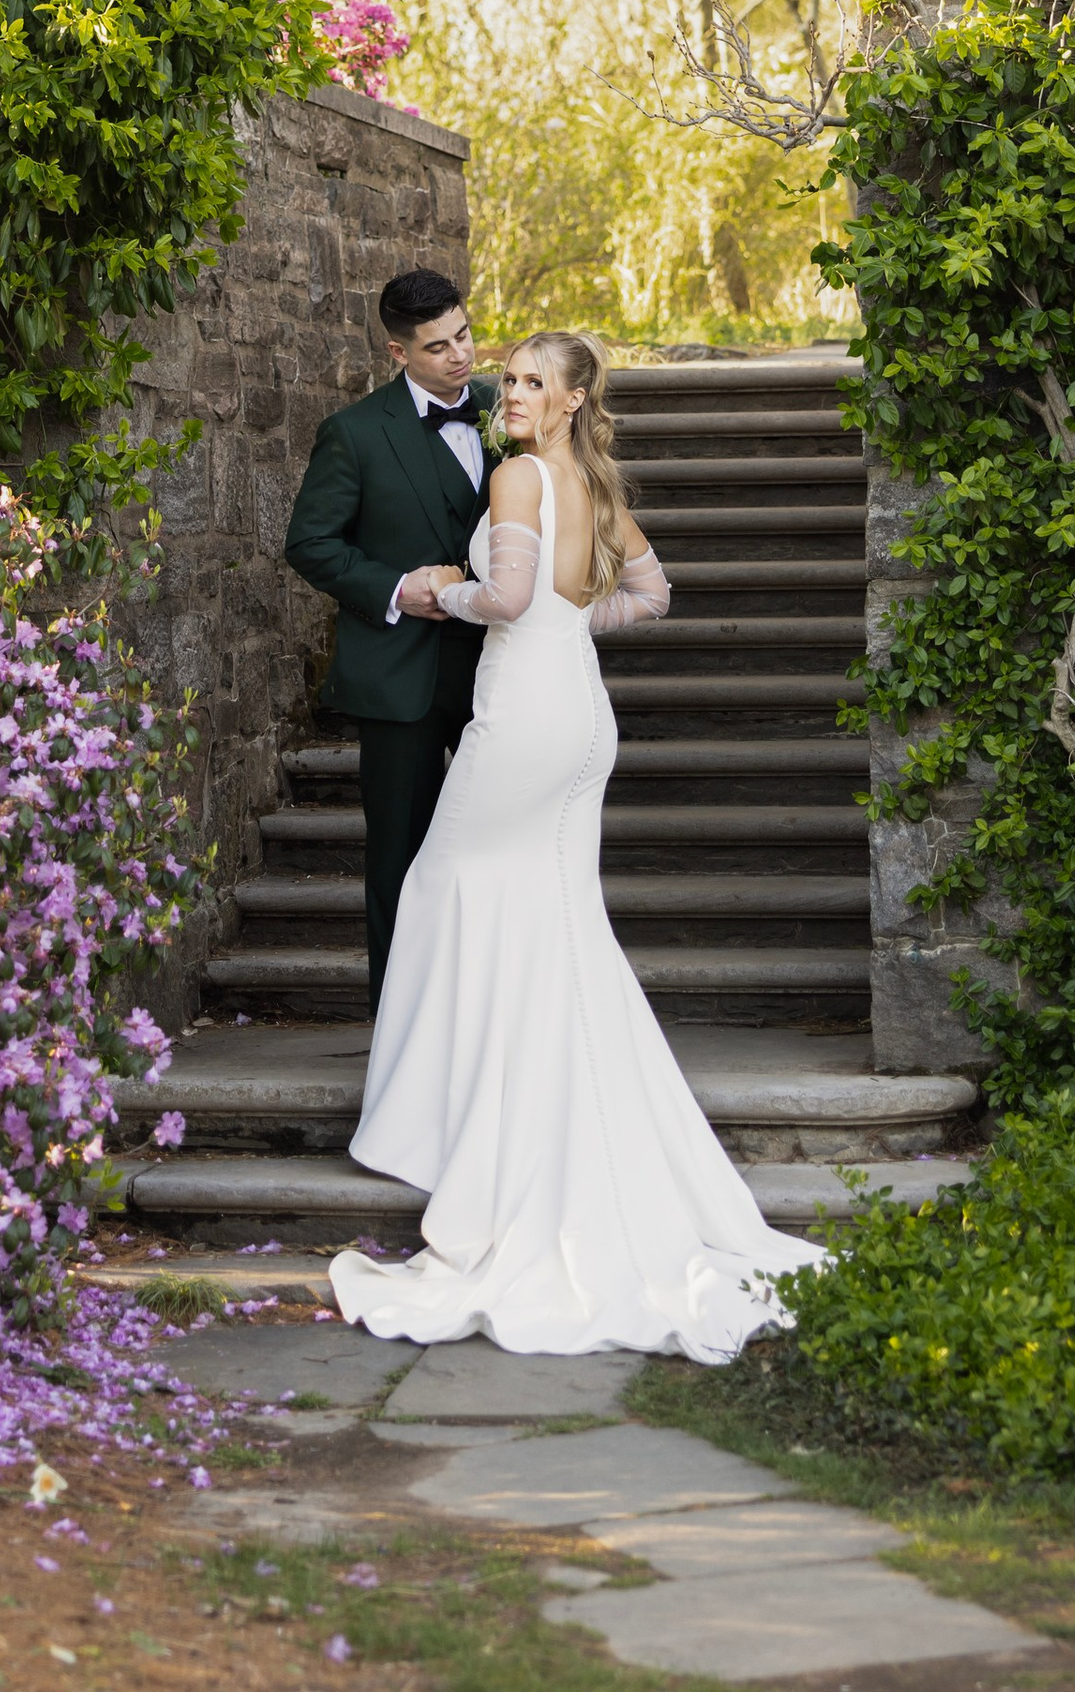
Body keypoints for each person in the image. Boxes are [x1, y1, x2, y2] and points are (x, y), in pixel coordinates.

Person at [330, 329, 827, 1360]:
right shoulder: (593, 487)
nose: (509, 393)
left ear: (570, 400)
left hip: (522, 719)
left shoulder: (517, 480)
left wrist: (432, 592)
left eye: (528, 384)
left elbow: (505, 601)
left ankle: (445, 1133)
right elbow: (651, 594)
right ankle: (513, 1116)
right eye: (505, 378)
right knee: (548, 918)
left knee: (436, 892)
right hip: (579, 715)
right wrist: (569, 622)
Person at [283, 270, 496, 1011]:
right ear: (398, 352)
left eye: (464, 335)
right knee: (400, 862)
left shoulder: (510, 410)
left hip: (499, 675)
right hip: (398, 676)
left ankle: (485, 1020)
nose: (460, 356)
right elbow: (310, 543)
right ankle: (401, 1037)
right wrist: (400, 588)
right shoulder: (355, 432)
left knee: (496, 855)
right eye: (438, 347)